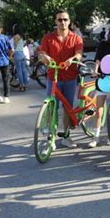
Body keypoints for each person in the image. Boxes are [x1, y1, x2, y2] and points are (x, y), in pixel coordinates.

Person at [39, 9, 83, 149]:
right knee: (51, 107)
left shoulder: (76, 38)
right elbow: (42, 53)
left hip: (70, 77)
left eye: (65, 19)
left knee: (67, 108)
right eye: (59, 20)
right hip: (53, 77)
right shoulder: (48, 38)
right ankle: (51, 135)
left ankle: (66, 136)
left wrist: (73, 59)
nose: (62, 22)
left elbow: (79, 53)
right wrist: (44, 57)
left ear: (69, 21)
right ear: (55, 21)